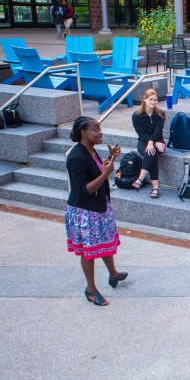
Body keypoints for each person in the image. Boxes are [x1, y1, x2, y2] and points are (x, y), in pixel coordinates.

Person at [65, 116, 127, 307]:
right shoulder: (76, 157)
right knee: (89, 251)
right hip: (85, 211)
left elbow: (99, 171)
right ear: (84, 133)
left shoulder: (90, 150)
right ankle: (91, 290)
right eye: (95, 129)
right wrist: (106, 174)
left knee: (105, 242)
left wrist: (111, 158)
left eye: (100, 129)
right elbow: (84, 189)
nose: (100, 132)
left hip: (99, 206)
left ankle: (114, 275)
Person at [131, 89, 166, 198]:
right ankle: (155, 188)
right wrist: (151, 143)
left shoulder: (160, 114)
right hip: (143, 141)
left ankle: (140, 179)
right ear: (144, 100)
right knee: (151, 152)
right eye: (150, 99)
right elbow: (141, 134)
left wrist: (153, 142)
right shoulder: (136, 116)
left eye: (155, 100)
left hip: (158, 140)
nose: (153, 102)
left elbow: (158, 131)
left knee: (151, 151)